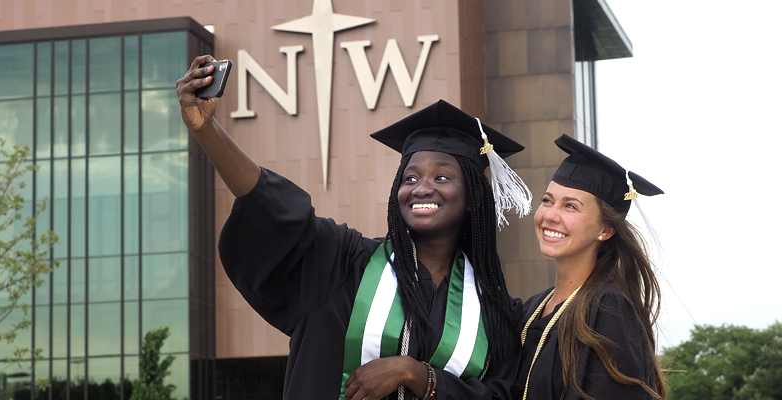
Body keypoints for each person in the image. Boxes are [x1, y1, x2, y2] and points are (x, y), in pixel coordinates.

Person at [176, 55, 532, 400]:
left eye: (441, 176)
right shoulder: (341, 264)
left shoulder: (497, 312)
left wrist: (418, 374)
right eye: (410, 177)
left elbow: (504, 394)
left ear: (473, 198)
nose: (421, 188)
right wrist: (207, 130)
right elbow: (270, 207)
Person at [516, 134, 667, 400]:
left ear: (606, 229)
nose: (550, 215)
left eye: (570, 206)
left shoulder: (607, 309)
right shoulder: (533, 307)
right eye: (547, 200)